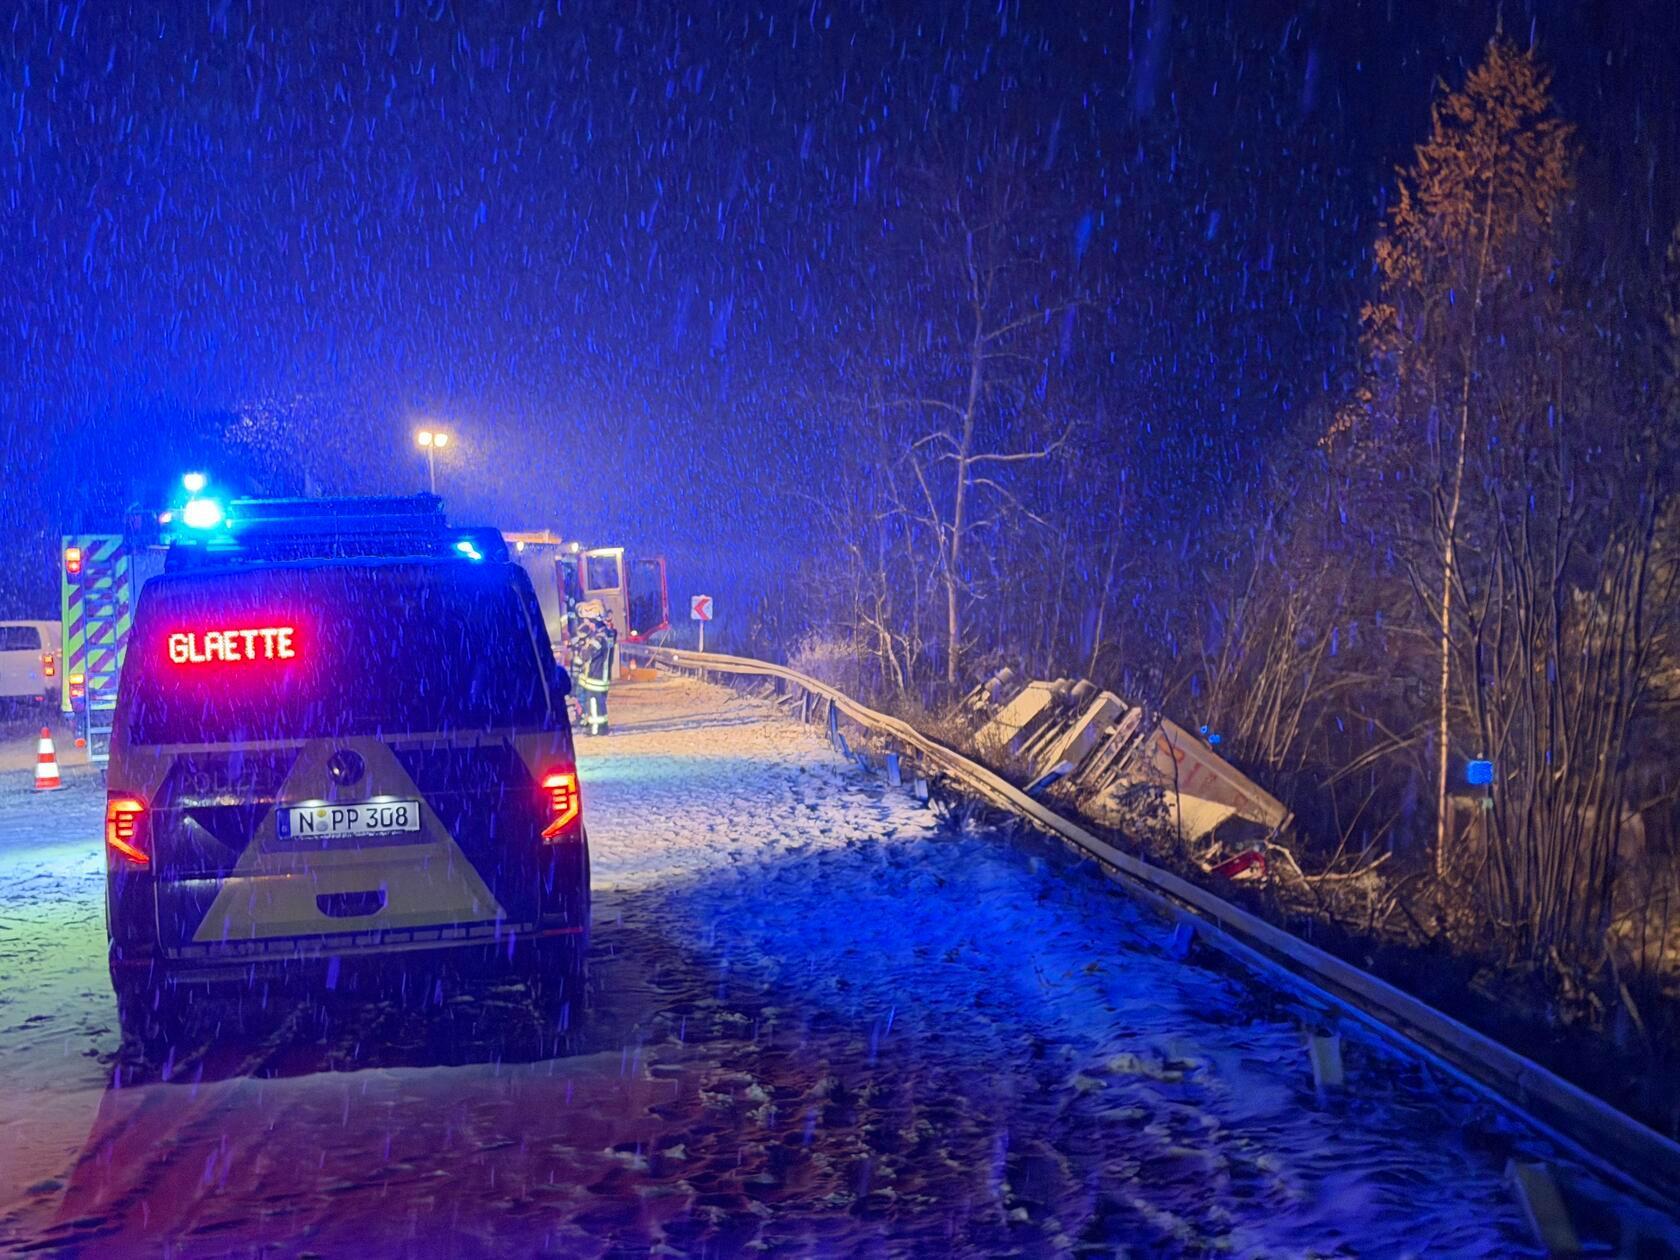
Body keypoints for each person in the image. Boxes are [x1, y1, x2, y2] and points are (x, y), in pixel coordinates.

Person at [570, 599, 617, 736]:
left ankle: (597, 729)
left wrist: (579, 657)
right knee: (596, 703)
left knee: (595, 703)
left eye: (588, 621)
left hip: (596, 677)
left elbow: (587, 653)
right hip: (599, 676)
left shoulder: (600, 637)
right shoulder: (606, 634)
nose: (586, 623)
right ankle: (597, 726)